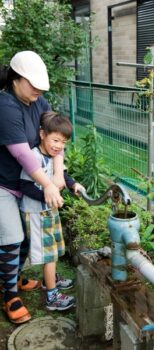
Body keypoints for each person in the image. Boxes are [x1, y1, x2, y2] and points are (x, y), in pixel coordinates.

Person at [0, 51, 65, 324]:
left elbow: (55, 136)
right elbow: (22, 154)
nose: (38, 90)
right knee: (12, 238)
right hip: (4, 183)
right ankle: (9, 295)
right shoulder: (5, 105)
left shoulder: (40, 102)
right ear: (16, 80)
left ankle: (14, 276)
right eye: (33, 84)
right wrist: (48, 183)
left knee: (26, 237)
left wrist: (59, 174)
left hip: (28, 184)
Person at [20, 111, 84, 311]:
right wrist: (48, 196)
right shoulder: (34, 156)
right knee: (49, 255)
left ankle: (52, 278)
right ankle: (52, 296)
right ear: (42, 134)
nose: (59, 146)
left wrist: (73, 185)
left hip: (48, 211)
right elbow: (24, 185)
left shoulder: (53, 157)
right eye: (55, 140)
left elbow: (63, 175)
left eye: (63, 142)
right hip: (37, 213)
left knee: (54, 250)